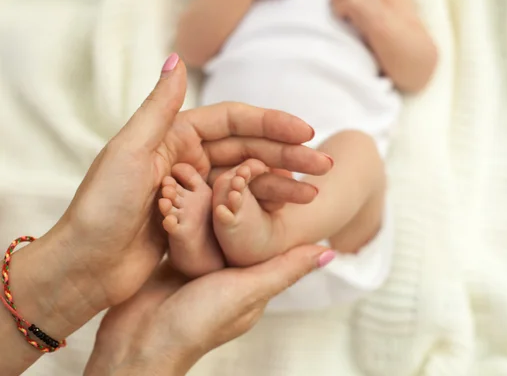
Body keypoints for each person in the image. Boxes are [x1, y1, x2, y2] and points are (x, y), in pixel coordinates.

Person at [0, 54, 335, 376]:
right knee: (253, 181)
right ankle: (210, 247)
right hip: (238, 155)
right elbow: (197, 39)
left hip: (332, 124)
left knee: (357, 149)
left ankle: (274, 234)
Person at [164, 0, 437, 285]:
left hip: (334, 207)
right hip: (240, 180)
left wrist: (375, 14)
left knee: (359, 152)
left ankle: (280, 233)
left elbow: (419, 70)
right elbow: (191, 45)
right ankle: (203, 253)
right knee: (199, 171)